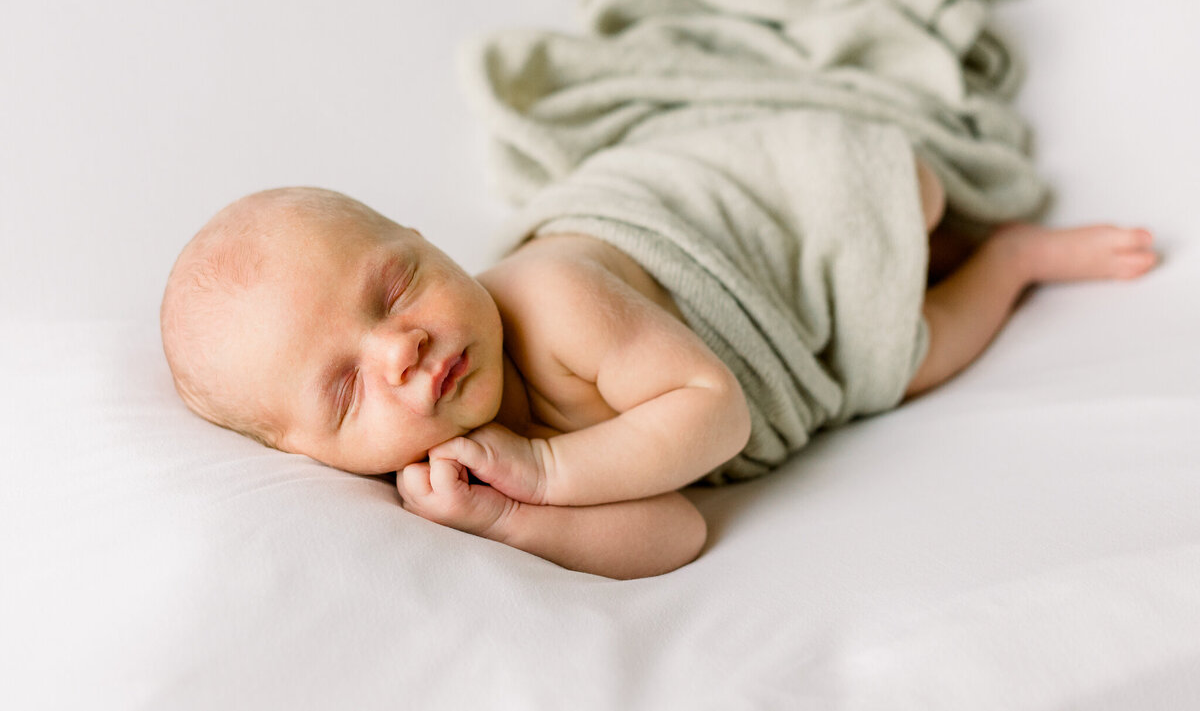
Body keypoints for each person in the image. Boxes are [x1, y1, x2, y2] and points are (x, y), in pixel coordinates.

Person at [160, 170, 1157, 579]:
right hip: (688, 362)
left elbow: (715, 414)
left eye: (395, 286)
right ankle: (1000, 254)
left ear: (428, 240)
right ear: (315, 452)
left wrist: (545, 474)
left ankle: (1011, 253)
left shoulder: (548, 302)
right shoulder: (447, 475)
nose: (401, 348)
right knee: (914, 338)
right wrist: (506, 517)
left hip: (742, 262)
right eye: (345, 389)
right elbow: (678, 527)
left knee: (908, 344)